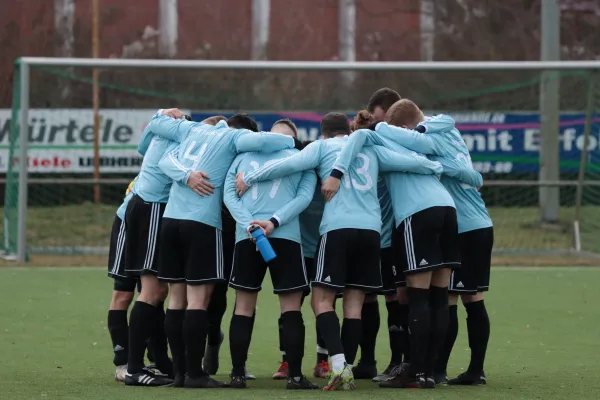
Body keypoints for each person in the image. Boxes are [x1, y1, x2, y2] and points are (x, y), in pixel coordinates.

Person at [235, 112, 443, 391]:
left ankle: (338, 364)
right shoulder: (372, 149)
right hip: (370, 232)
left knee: (321, 301)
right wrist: (434, 167)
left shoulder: (320, 148)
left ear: (323, 133)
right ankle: (347, 370)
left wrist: (250, 176)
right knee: (354, 306)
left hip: (337, 229)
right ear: (348, 129)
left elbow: (287, 165)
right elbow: (412, 162)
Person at [323, 103, 482, 389]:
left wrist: (336, 172)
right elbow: (433, 157)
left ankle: (416, 372)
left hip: (417, 213)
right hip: (447, 209)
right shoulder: (417, 142)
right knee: (439, 298)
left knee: (418, 297)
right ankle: (431, 371)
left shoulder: (376, 137)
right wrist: (435, 165)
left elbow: (359, 138)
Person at [155, 113, 296, 388]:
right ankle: (195, 374)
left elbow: (162, 151)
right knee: (198, 301)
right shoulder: (232, 137)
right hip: (201, 223)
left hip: (170, 221)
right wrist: (290, 140)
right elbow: (267, 140)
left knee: (175, 300)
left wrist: (185, 174)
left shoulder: (191, 130)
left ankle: (180, 373)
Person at [363, 101, 493, 385]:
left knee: (448, 299)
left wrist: (381, 129)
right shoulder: (444, 131)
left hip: (464, 225)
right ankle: (443, 370)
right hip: (466, 221)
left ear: (405, 127)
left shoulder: (429, 138)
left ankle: (435, 370)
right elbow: (471, 173)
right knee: (455, 299)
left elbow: (472, 175)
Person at [223, 119, 319, 390]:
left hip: (248, 237)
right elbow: (303, 198)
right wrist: (274, 222)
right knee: (290, 307)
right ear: (293, 138)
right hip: (285, 237)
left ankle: (237, 375)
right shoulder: (301, 158)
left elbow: (229, 195)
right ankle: (296, 377)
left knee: (243, 306)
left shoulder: (242, 156)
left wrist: (250, 225)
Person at [122, 109, 215, 387]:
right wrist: (188, 176)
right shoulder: (184, 135)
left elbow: (142, 146)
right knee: (152, 291)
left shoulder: (164, 128)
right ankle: (134, 368)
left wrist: (159, 113)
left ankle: (157, 363)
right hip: (152, 207)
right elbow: (166, 162)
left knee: (159, 291)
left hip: (150, 207)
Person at [352, 89, 409, 383]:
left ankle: (401, 361)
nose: (377, 127)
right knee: (366, 299)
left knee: (396, 300)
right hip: (370, 237)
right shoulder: (368, 148)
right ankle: (369, 361)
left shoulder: (398, 146)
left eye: (380, 121)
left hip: (391, 239)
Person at [107, 179, 140, 382]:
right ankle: (122, 361)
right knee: (122, 294)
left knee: (155, 293)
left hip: (163, 224)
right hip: (129, 223)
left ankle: (154, 359)